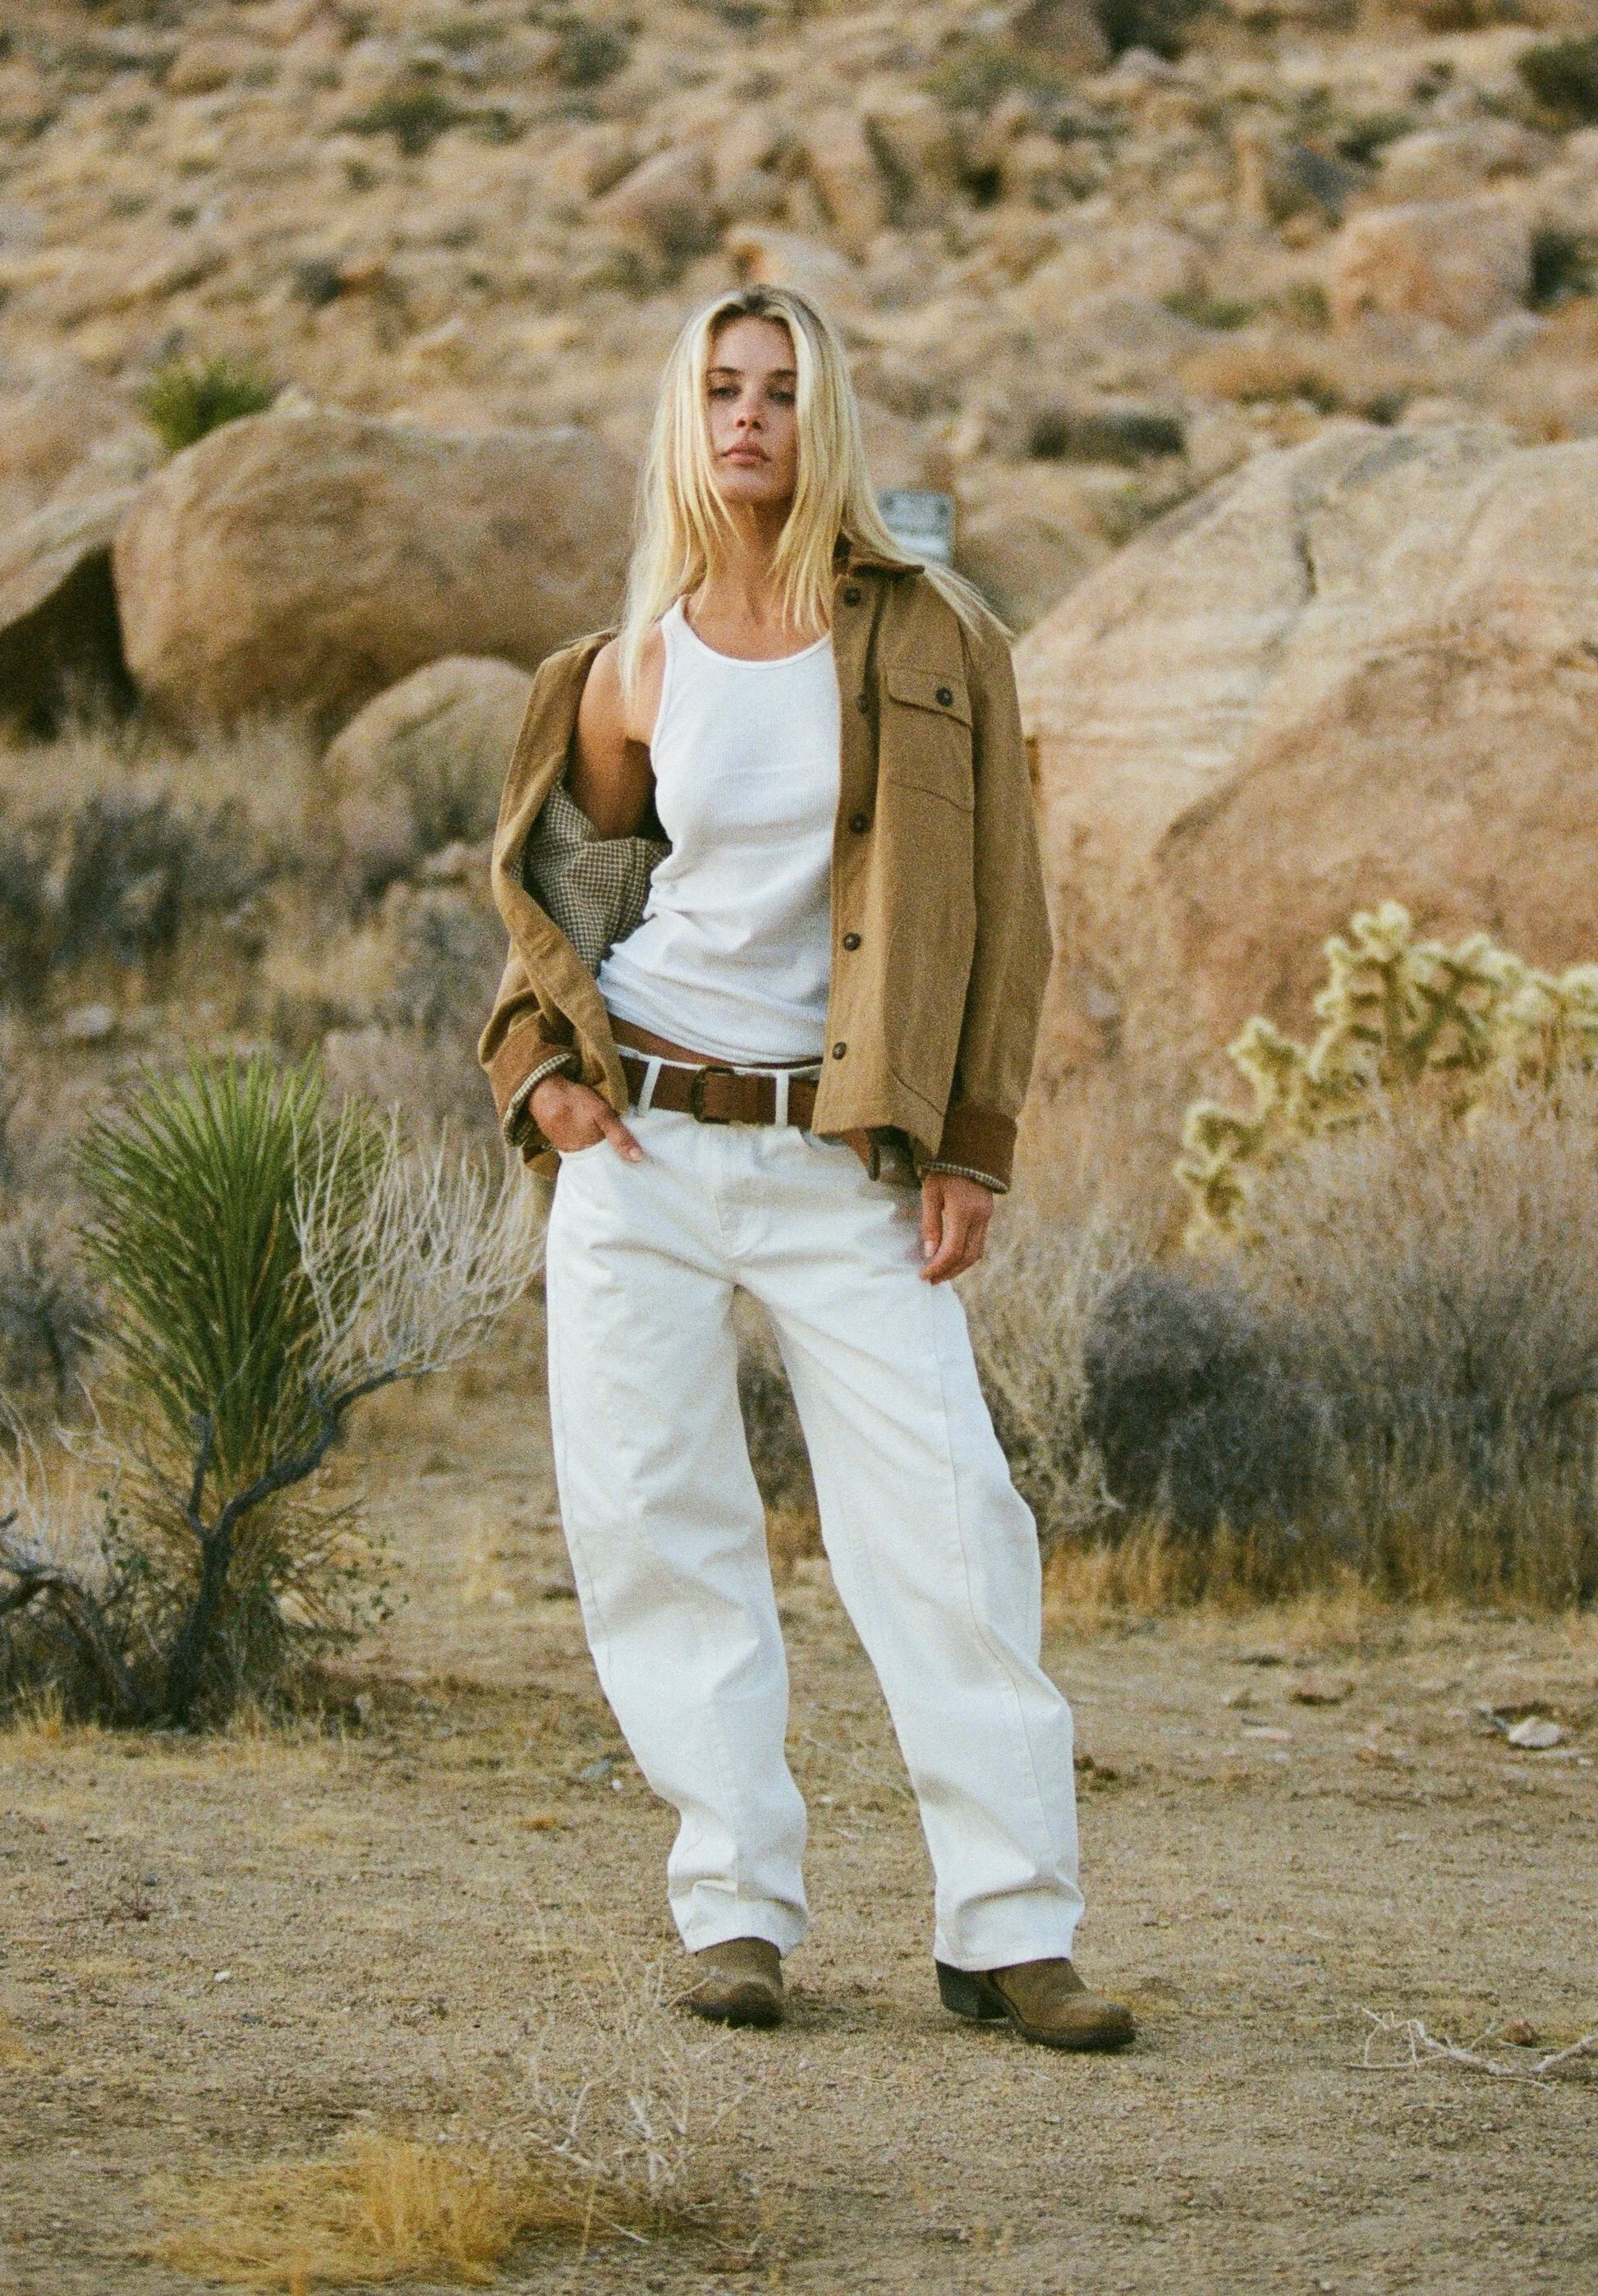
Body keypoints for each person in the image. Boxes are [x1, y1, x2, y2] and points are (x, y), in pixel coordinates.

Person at [482, 283, 1132, 2055]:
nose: (748, 416)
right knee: (655, 1522)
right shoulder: (634, 664)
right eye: (719, 388)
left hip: (844, 1156)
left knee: (948, 1528)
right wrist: (544, 1078)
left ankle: (1010, 1930)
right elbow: (563, 902)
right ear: (684, 419)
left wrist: (973, 1143)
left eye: (778, 387)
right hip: (647, 1148)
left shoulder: (937, 638)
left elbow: (1004, 905)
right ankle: (736, 1910)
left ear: (822, 414)